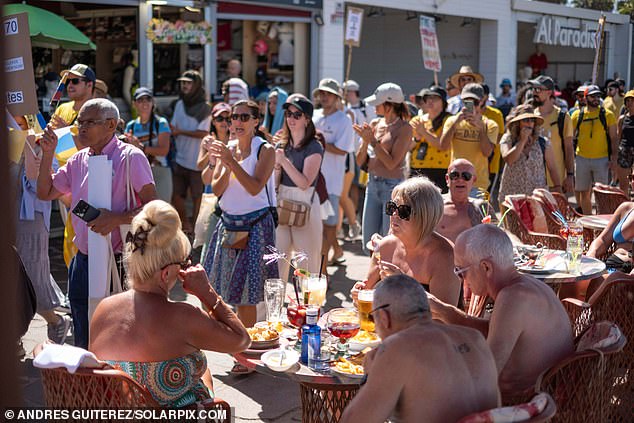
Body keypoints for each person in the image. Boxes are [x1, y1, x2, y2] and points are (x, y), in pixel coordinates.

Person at [90, 200, 250, 407]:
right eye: (184, 263)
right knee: (204, 373)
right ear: (166, 273)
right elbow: (241, 340)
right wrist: (206, 292)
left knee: (202, 374)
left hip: (118, 412)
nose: (186, 268)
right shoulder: (183, 317)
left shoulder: (104, 308)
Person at [37, 98, 157, 349]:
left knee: (120, 331)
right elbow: (45, 192)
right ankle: (87, 382)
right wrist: (47, 154)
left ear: (111, 124)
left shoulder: (131, 157)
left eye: (89, 122)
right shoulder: (78, 160)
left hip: (121, 260)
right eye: (79, 122)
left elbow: (154, 209)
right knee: (83, 326)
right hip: (83, 259)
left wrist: (115, 219)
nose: (81, 128)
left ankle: (120, 383)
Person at [428, 225, 574, 397]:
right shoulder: (527, 286)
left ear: (486, 267)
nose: (462, 281)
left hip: (526, 404)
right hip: (547, 394)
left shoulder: (512, 298)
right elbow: (497, 332)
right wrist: (447, 313)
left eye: (461, 272)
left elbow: (486, 374)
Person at [341, 274, 499, 423]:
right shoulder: (475, 338)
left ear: (384, 317)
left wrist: (369, 377)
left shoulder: (396, 348)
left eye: (373, 318)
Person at [203, 100, 278, 331]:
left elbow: (254, 187)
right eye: (234, 117)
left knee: (246, 297)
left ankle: (245, 352)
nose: (237, 122)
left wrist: (230, 161)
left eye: (244, 118)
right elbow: (216, 189)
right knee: (220, 291)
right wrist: (226, 160)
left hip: (255, 226)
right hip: (228, 225)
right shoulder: (229, 148)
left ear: (256, 122)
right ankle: (233, 342)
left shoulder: (265, 149)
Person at [351, 177, 462, 308]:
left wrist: (406, 288)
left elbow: (445, 319)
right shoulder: (385, 247)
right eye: (392, 207)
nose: (394, 215)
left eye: (403, 211)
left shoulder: (445, 257)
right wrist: (358, 295)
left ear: (424, 216)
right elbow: (366, 295)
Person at [12, 116, 71, 344]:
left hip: (30, 216)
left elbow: (40, 185)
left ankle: (54, 320)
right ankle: (14, 336)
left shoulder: (41, 137)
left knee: (31, 273)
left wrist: (28, 146)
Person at [355, 83, 412, 253]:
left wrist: (372, 141)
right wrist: (365, 142)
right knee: (369, 243)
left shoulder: (405, 128)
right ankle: (376, 277)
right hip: (372, 184)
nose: (374, 106)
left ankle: (384, 278)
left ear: (390, 104)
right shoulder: (375, 123)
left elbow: (392, 163)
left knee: (389, 242)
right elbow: (360, 161)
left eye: (378, 103)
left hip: (392, 187)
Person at [274, 96, 324, 278]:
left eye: (297, 114)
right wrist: (277, 166)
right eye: (288, 114)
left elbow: (304, 183)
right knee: (276, 263)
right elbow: (274, 184)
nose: (291, 118)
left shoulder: (314, 146)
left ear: (307, 119)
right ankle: (274, 306)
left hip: (306, 204)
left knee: (307, 265)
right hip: (282, 202)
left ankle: (309, 306)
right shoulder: (281, 144)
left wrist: (283, 161)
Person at [312, 79, 355, 272]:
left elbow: (343, 149)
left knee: (328, 225)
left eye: (328, 93)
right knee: (316, 226)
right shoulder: (314, 116)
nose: (324, 96)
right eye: (322, 93)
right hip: (311, 180)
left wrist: (318, 143)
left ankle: (322, 269)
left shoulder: (344, 120)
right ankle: (333, 254)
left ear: (337, 97)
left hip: (331, 181)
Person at [171, 70, 212, 234]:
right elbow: (174, 127)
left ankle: (196, 228)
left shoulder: (206, 108)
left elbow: (204, 133)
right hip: (180, 159)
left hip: (197, 162)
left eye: (188, 83)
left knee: (197, 197)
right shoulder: (179, 104)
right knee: (176, 195)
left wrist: (180, 132)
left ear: (196, 86)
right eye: (183, 83)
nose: (185, 86)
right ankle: (185, 224)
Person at [440, 83, 499, 196]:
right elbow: (443, 147)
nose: (471, 106)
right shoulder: (452, 121)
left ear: (482, 101)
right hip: (456, 181)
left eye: (475, 102)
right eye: (467, 102)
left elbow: (487, 152)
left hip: (478, 183)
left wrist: (481, 128)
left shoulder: (490, 124)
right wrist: (455, 124)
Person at [499, 104, 562, 203]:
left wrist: (559, 191)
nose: (529, 123)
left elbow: (552, 168)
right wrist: (522, 141)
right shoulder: (508, 139)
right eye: (525, 120)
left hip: (537, 197)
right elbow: (509, 160)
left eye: (532, 120)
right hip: (512, 196)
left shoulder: (543, 142)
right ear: (517, 123)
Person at [571, 84, 618, 214]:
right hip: (581, 158)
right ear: (585, 98)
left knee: (602, 194)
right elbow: (569, 138)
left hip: (602, 159)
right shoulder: (576, 115)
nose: (596, 99)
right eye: (593, 96)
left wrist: (614, 158)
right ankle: (588, 221)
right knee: (584, 193)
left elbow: (614, 138)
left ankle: (601, 220)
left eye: (598, 96)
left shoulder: (608, 115)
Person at [124, 87, 172, 202]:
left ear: (153, 102)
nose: (145, 103)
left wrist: (141, 147)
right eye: (140, 100)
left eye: (148, 99)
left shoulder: (161, 123)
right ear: (134, 104)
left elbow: (164, 150)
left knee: (162, 210)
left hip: (160, 170)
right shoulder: (130, 126)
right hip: (138, 171)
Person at [531, 75, 575, 193]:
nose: (534, 92)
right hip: (534, 183)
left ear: (549, 92)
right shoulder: (530, 117)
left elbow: (569, 148)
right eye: (533, 89)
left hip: (556, 183)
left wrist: (570, 175)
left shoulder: (562, 117)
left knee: (557, 212)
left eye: (538, 89)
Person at [436, 159, 494, 243]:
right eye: (455, 175)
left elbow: (499, 235)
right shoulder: (435, 206)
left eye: (466, 176)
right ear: (447, 179)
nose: (460, 180)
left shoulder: (482, 208)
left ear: (473, 180)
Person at [409, 86, 452, 192]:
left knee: (439, 204)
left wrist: (423, 132)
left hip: (441, 170)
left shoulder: (450, 120)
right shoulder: (417, 120)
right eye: (428, 98)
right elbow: (406, 147)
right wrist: (417, 139)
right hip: (418, 168)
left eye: (435, 98)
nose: (430, 101)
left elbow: (442, 145)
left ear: (443, 102)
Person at [50, 64, 96, 132]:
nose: (69, 85)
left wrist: (65, 131)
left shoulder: (98, 112)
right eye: (67, 81)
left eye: (75, 81)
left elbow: (93, 140)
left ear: (89, 85)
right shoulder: (62, 108)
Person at [615, 90, 634, 192]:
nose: (629, 103)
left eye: (632, 100)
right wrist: (615, 155)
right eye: (627, 100)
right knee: (623, 184)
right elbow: (618, 136)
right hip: (624, 151)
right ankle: (626, 205)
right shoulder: (622, 119)